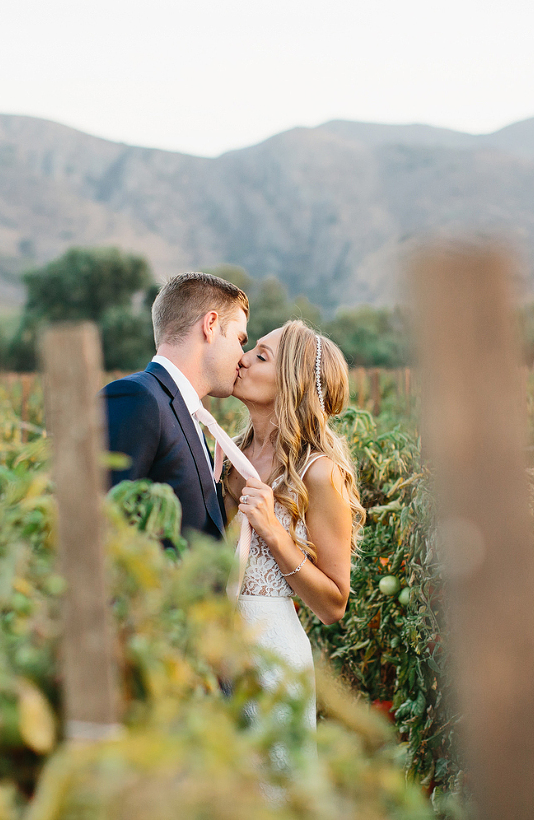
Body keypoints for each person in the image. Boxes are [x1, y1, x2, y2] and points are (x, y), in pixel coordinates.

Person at [223, 319, 366, 747]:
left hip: (273, 660)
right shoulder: (224, 455)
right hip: (213, 647)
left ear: (292, 384)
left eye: (260, 356)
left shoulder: (319, 473)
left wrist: (275, 534)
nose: (242, 359)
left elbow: (334, 604)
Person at [101, 272, 249, 541]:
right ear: (211, 325)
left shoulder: (185, 411)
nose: (243, 357)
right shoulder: (139, 398)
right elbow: (103, 521)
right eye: (240, 340)